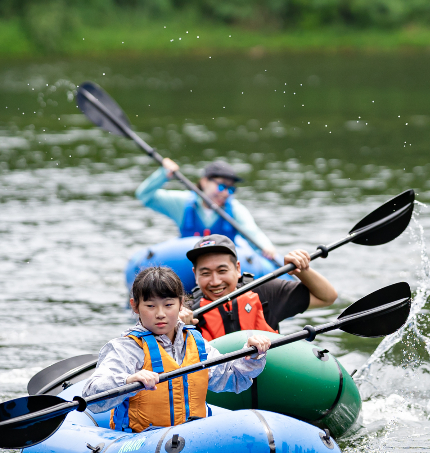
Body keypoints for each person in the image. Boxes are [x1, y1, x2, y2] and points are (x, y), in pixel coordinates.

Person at [83, 266, 273, 432]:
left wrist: (252, 355)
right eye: (150, 306)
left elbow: (234, 379)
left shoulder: (196, 343)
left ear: (181, 304)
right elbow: (92, 396)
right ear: (135, 306)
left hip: (192, 439)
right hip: (143, 445)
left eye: (168, 305)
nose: (160, 314)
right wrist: (128, 381)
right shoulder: (126, 348)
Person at [180, 235, 338, 340]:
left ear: (237, 268)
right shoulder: (187, 311)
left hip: (268, 382)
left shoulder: (266, 291)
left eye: (222, 271)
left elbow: (327, 297)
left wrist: (302, 271)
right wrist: (177, 329)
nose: (215, 282)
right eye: (205, 273)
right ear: (195, 274)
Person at [136, 158, 280, 260]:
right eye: (222, 186)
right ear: (204, 181)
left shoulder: (235, 209)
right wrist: (163, 174)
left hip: (224, 266)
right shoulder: (182, 202)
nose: (225, 193)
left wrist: (266, 247)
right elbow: (145, 195)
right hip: (187, 262)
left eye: (231, 189)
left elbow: (252, 231)